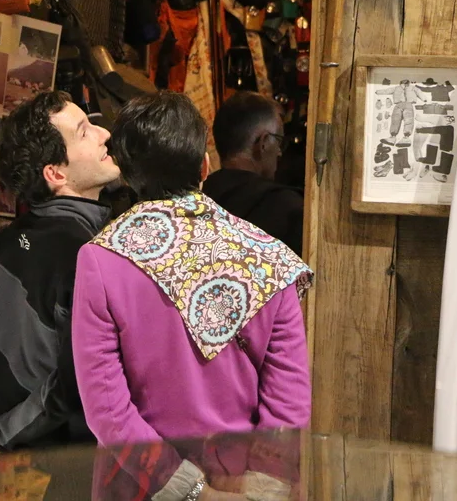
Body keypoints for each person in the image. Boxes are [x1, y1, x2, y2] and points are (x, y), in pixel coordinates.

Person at [72, 91, 313, 501]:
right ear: (205, 165)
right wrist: (263, 487)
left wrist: (191, 490)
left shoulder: (101, 259)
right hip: (241, 483)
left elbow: (108, 411)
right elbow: (288, 396)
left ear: (125, 174)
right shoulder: (270, 258)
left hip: (140, 486)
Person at [0, 90, 121, 458]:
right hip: (70, 465)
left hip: (8, 464)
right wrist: (2, 433)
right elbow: (82, 377)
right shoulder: (89, 255)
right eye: (84, 131)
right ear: (55, 174)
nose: (103, 134)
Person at [202, 92, 304, 255]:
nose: (279, 152)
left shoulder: (195, 201)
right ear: (263, 143)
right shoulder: (290, 211)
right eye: (278, 141)